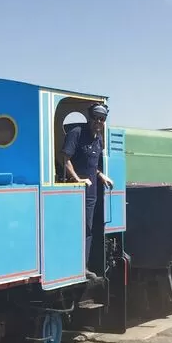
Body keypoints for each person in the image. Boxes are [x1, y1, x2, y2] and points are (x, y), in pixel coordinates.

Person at [62, 103, 114, 279]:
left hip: (91, 192)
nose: (98, 122)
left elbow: (93, 164)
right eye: (96, 118)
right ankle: (74, 266)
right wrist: (77, 179)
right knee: (77, 228)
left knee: (88, 228)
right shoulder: (76, 133)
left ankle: (83, 266)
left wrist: (101, 175)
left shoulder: (98, 138)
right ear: (89, 117)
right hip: (75, 191)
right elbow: (66, 158)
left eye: (102, 119)